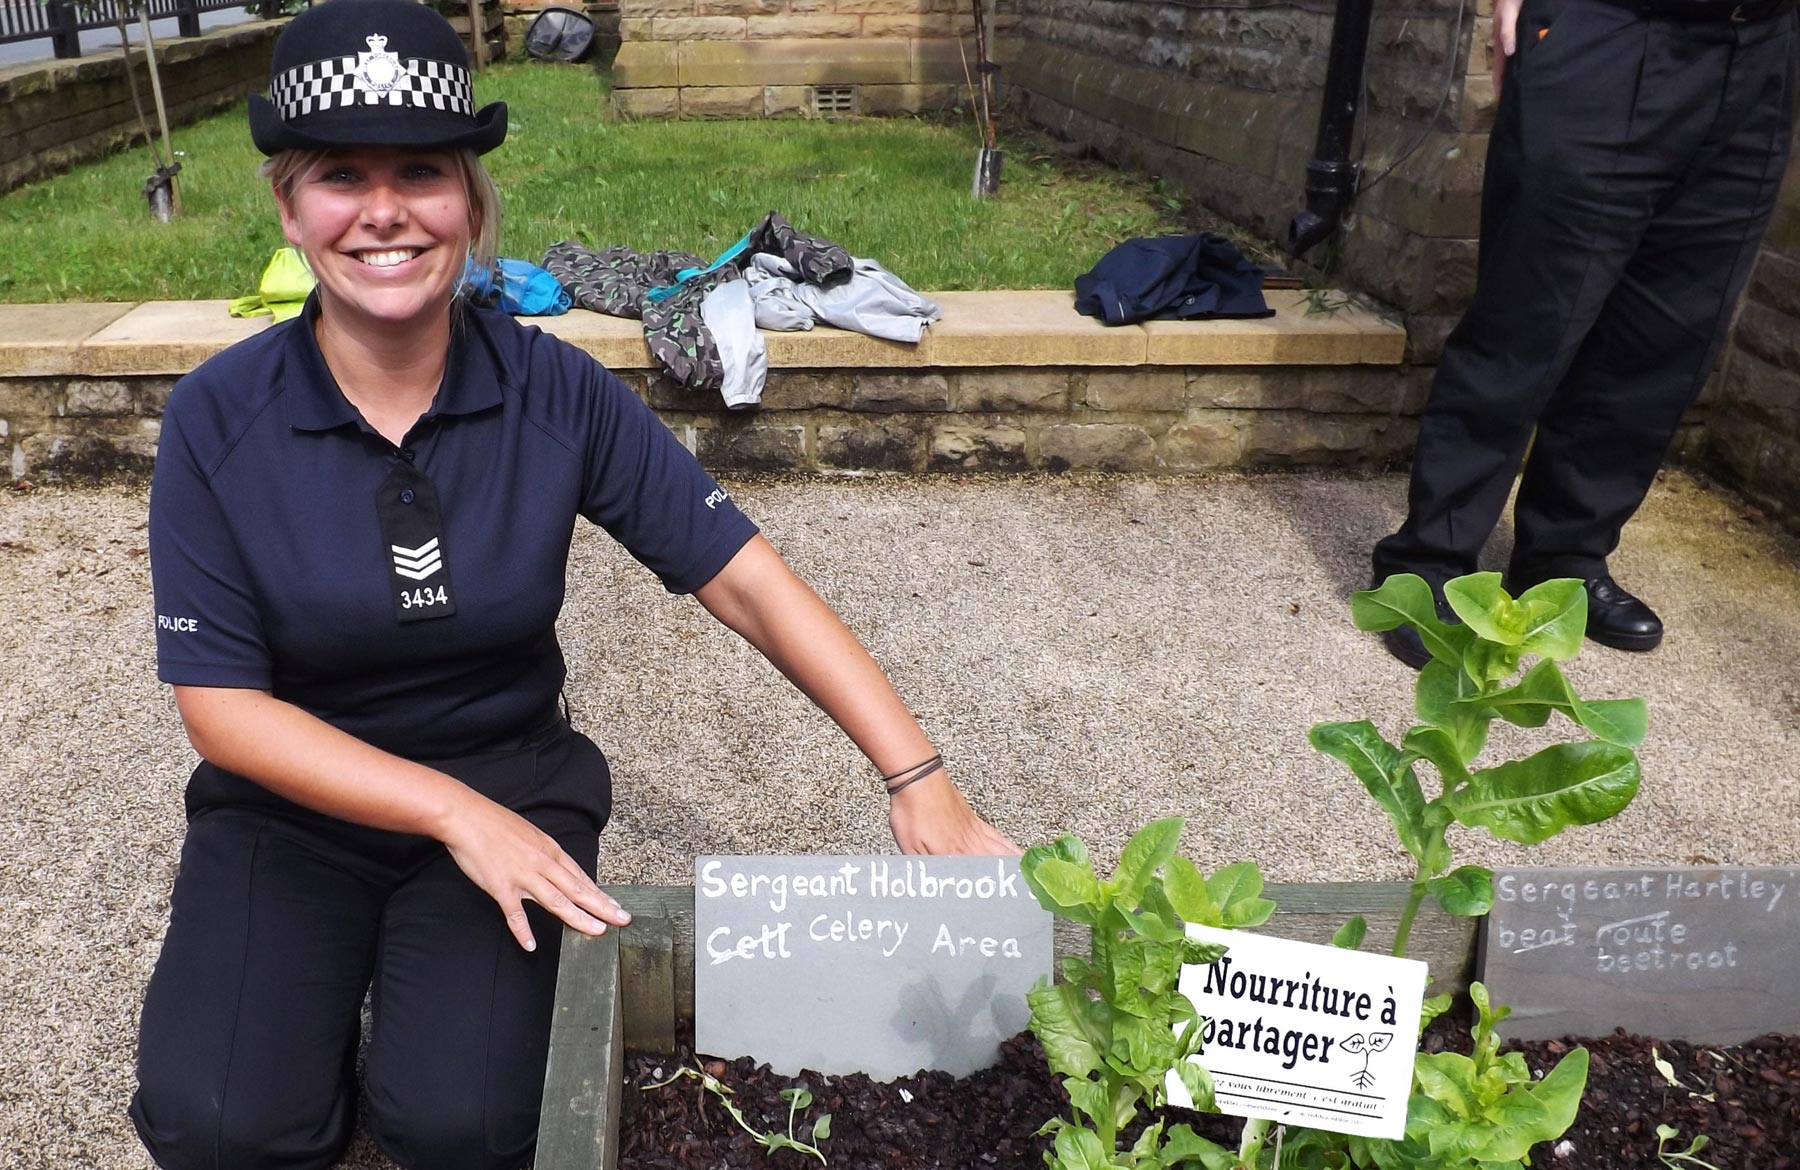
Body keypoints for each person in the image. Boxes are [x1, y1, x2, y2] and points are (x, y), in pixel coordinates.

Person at [130, 3, 1015, 1168]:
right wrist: (450, 813)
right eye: (341, 174)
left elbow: (747, 580)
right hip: (293, 806)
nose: (385, 210)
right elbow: (222, 710)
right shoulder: (217, 416)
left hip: (509, 773)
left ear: (471, 203)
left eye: (422, 172)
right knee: (221, 1126)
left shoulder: (556, 391)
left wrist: (919, 779)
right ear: (290, 211)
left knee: (470, 1127)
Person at [1371, 0, 1796, 667]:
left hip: (1763, 50)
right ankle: (1430, 562)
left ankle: (1563, 559)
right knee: (1528, 319)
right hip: (1610, 29)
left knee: (1663, 335)